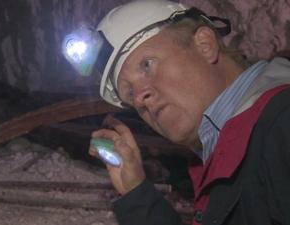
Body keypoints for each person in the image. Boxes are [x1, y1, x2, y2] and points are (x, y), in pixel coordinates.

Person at [81, 0, 290, 224]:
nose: (139, 97)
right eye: (129, 92)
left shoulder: (281, 124)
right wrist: (136, 191)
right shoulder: (232, 148)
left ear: (204, 45)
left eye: (147, 64)